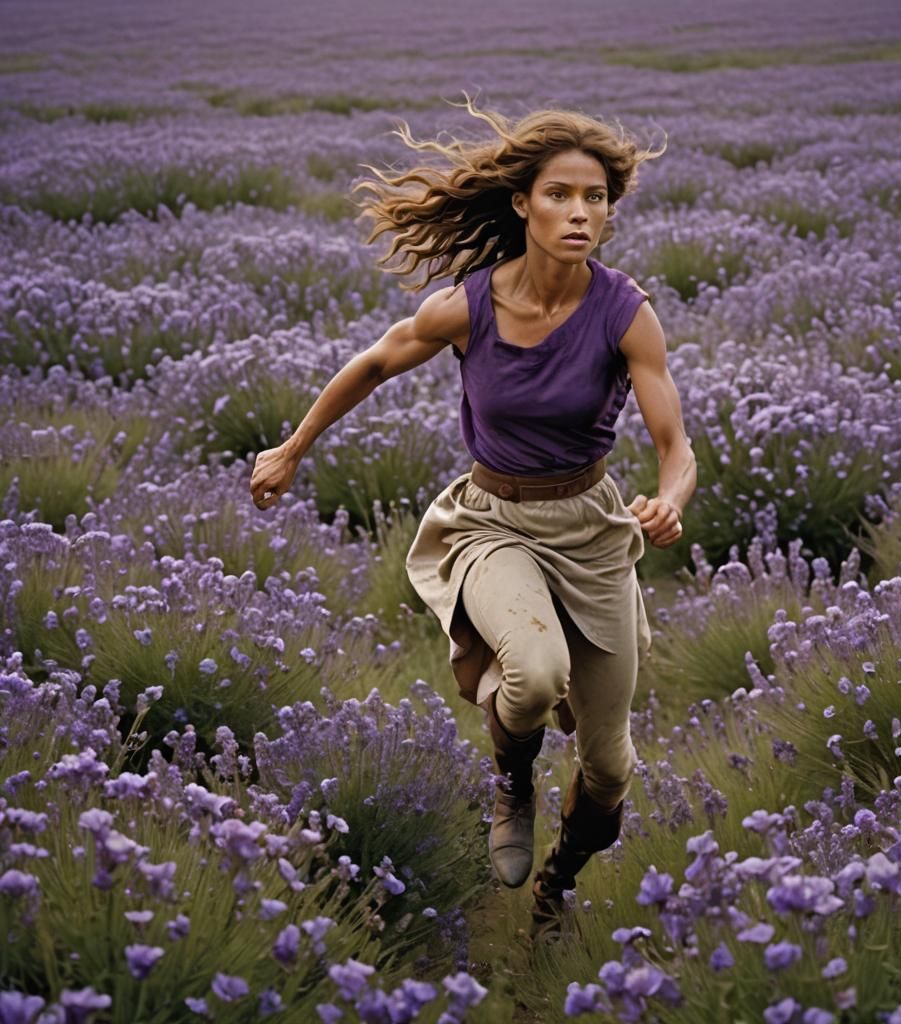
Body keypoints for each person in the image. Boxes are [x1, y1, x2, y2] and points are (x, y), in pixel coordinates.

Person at [249, 97, 697, 944]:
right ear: (523, 203)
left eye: (596, 198)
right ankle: (512, 781)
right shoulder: (469, 306)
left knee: (608, 771)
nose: (580, 213)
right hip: (491, 520)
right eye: (560, 194)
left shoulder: (626, 313)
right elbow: (379, 359)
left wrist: (667, 503)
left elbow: (675, 445)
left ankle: (556, 888)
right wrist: (293, 447)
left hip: (594, 531)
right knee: (530, 672)